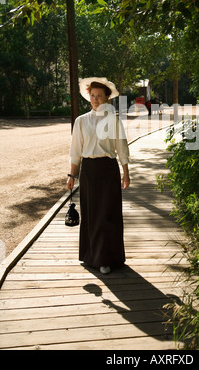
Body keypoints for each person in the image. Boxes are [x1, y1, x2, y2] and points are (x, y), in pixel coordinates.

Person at [67, 77, 130, 275]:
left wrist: (126, 173)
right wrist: (71, 175)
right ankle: (90, 256)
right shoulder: (81, 121)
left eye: (99, 96)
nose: (95, 99)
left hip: (108, 170)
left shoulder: (113, 121)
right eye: (92, 96)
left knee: (107, 215)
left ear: (106, 98)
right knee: (91, 215)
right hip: (89, 172)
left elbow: (122, 148)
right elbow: (75, 150)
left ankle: (107, 259)